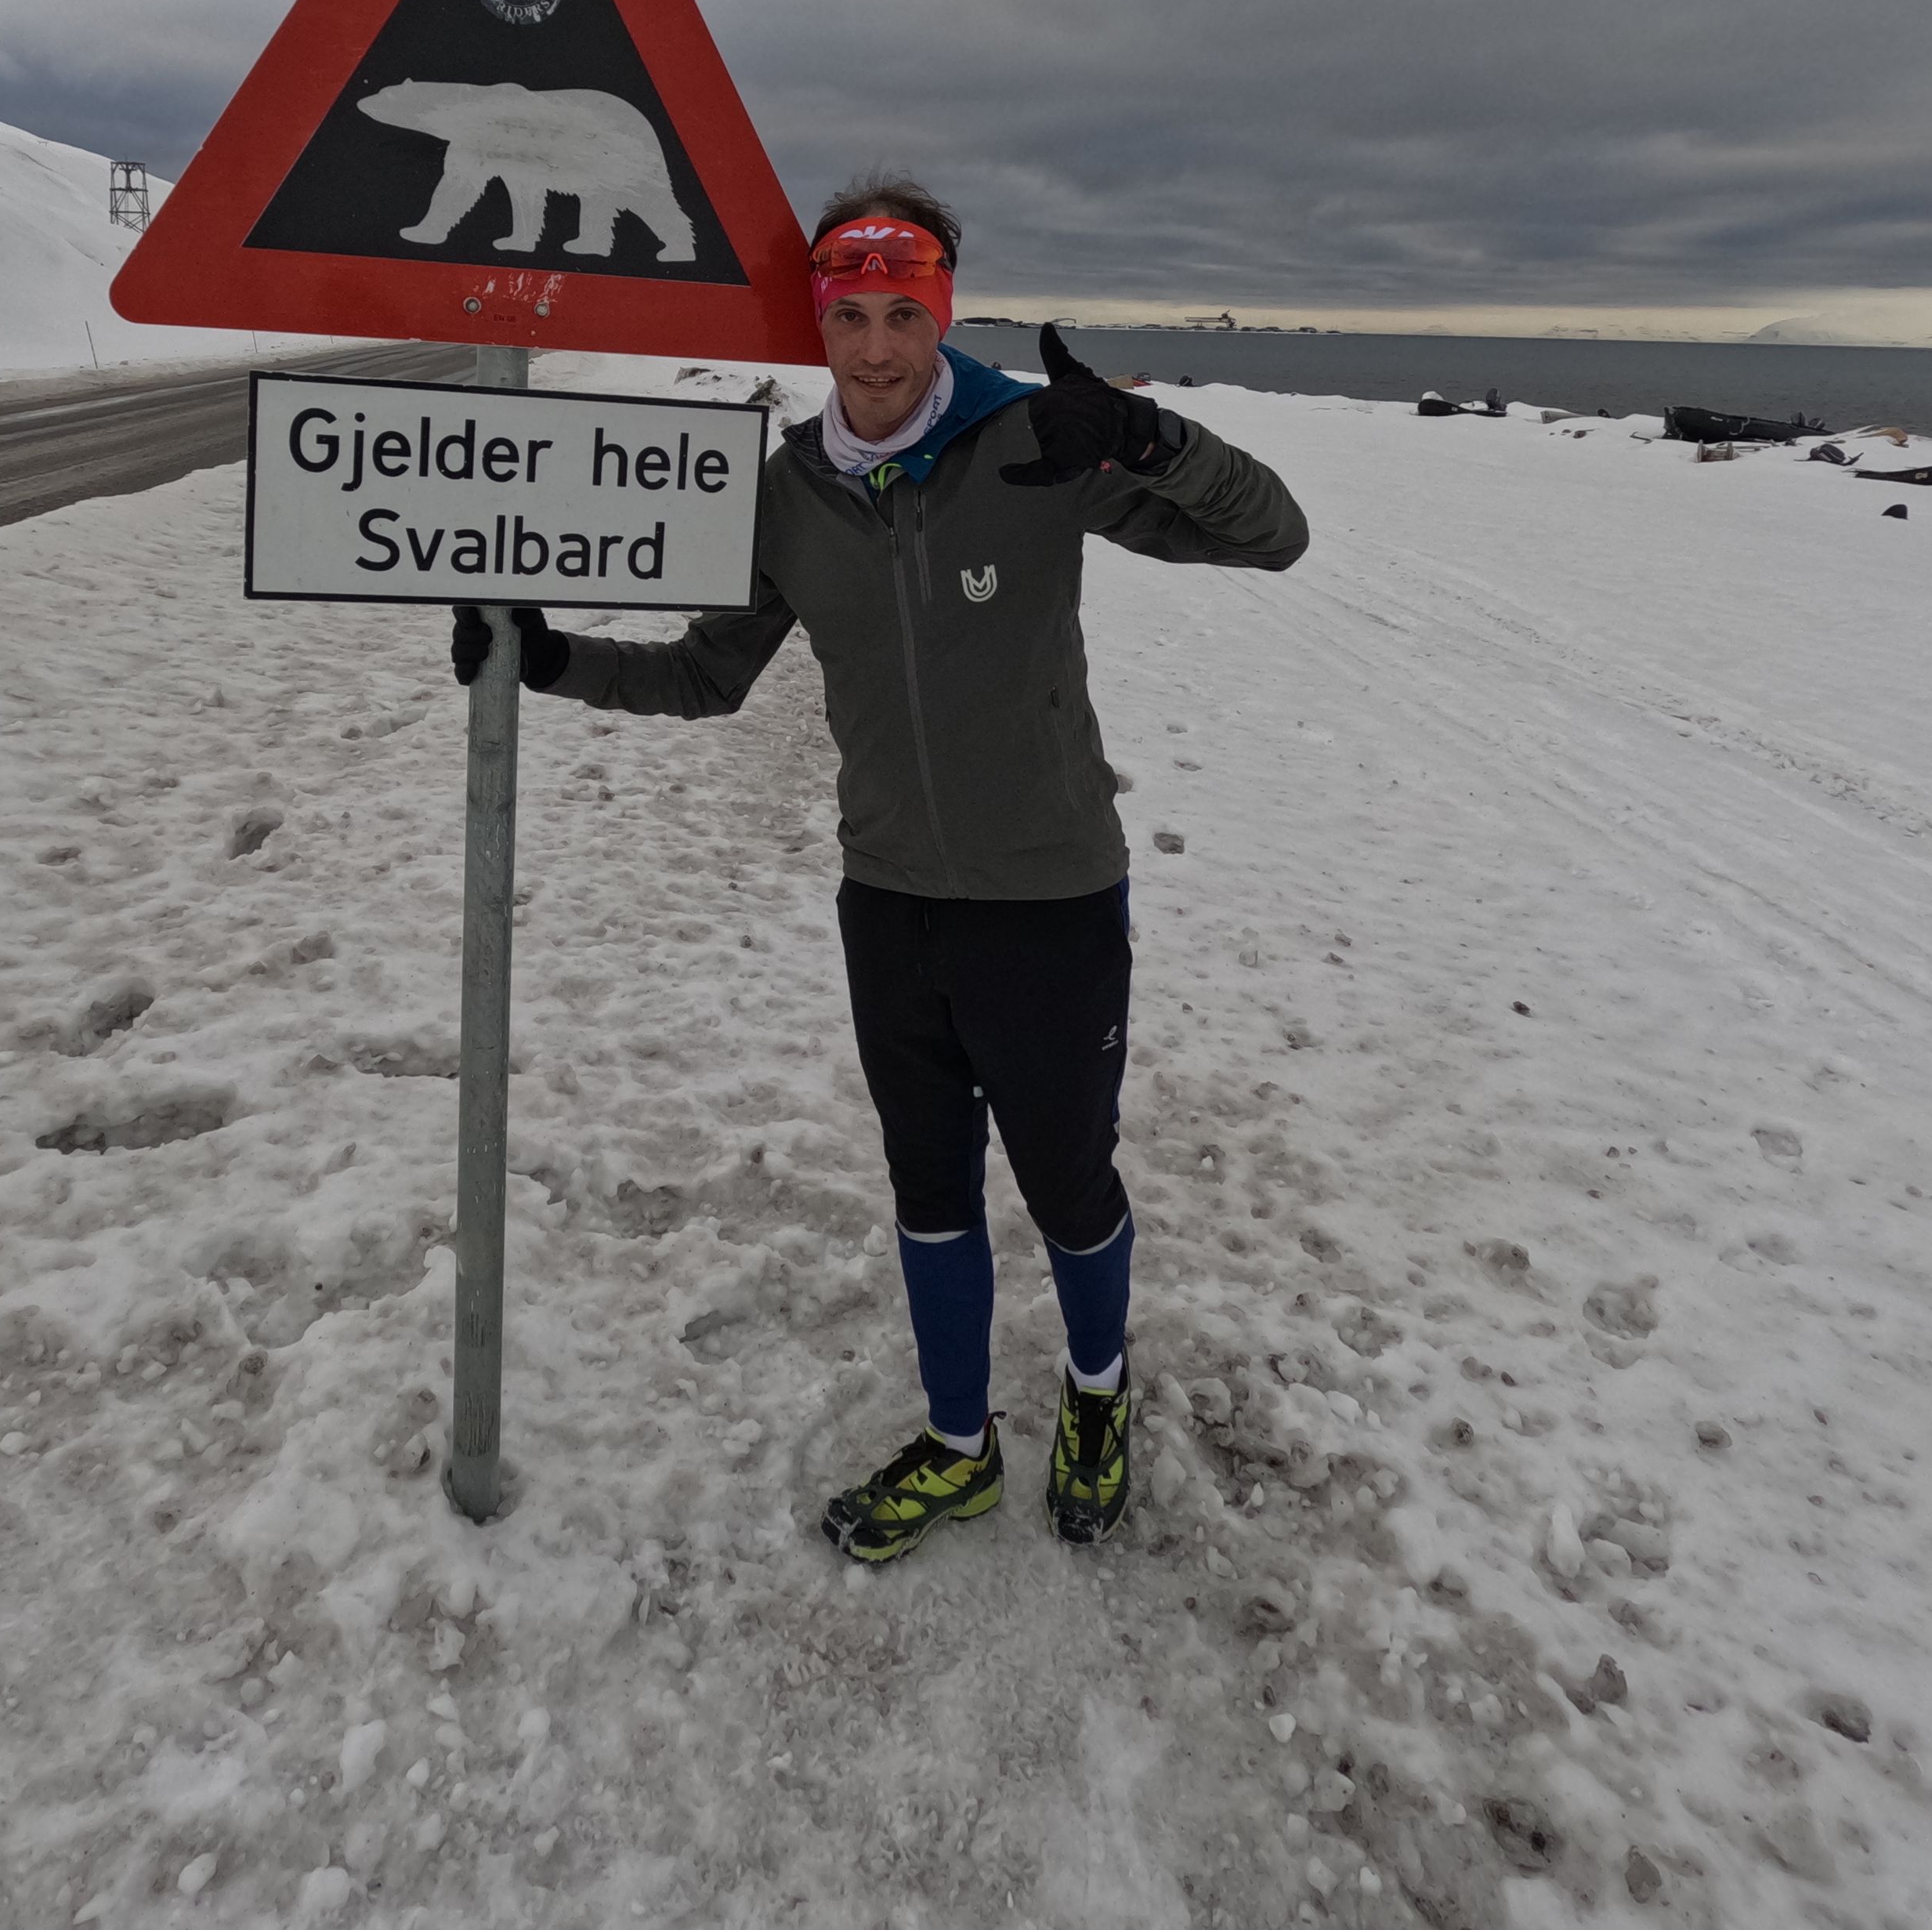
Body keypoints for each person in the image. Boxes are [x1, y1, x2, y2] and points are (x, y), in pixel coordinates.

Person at [450, 176, 1309, 1560]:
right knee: (929, 1189)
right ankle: (960, 1444)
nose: (875, 348)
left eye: (905, 313)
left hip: (1049, 899)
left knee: (1069, 1182)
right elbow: (707, 677)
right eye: (849, 314)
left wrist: (1150, 437)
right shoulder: (788, 494)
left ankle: (1099, 1395)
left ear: (944, 316)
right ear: (820, 322)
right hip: (893, 903)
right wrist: (552, 662)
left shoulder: (1034, 443)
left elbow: (1273, 533)